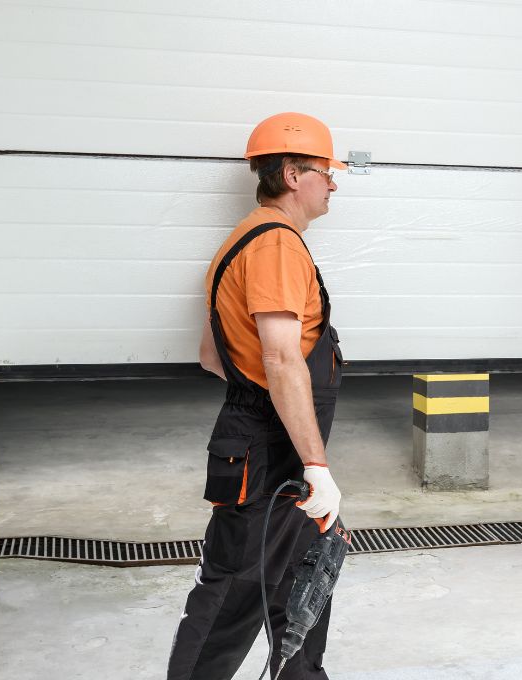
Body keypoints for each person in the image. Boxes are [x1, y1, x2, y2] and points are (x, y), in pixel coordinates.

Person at [167, 112, 346, 680]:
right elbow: (281, 356)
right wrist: (315, 463)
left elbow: (211, 355)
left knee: (300, 587)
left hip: (271, 440)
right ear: (293, 174)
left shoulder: (246, 239)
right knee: (235, 594)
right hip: (268, 448)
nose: (334, 183)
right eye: (326, 171)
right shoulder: (275, 247)